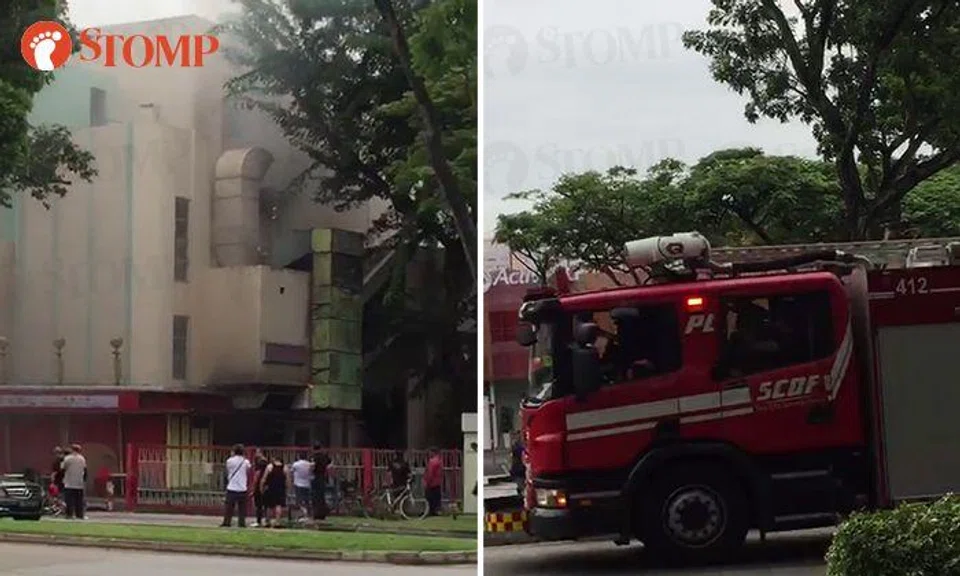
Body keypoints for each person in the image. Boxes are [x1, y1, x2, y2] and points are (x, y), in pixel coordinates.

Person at [220, 444, 251, 528]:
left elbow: (228, 470)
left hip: (232, 487)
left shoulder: (229, 461)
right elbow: (248, 470)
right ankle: (241, 523)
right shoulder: (246, 462)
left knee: (229, 508)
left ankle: (227, 522)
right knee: (242, 508)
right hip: (242, 488)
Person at [60, 444, 87, 520]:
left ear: (72, 449)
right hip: (79, 483)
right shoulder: (82, 459)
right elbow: (85, 470)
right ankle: (79, 514)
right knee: (79, 500)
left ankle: (69, 514)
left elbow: (62, 469)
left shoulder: (67, 458)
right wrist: (83, 480)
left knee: (69, 500)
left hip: (69, 483)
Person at [260, 456, 287, 528]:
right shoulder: (285, 467)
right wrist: (287, 488)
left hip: (271, 488)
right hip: (281, 488)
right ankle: (277, 522)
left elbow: (264, 478)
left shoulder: (270, 467)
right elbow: (288, 479)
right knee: (278, 505)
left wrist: (261, 487)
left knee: (269, 506)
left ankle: (267, 522)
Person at [310, 444, 332, 521]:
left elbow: (312, 466)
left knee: (315, 496)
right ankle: (323, 514)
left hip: (316, 477)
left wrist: (310, 472)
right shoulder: (324, 456)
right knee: (322, 496)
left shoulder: (314, 457)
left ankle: (317, 514)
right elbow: (330, 465)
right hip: (323, 477)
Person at [290, 451, 313, 521]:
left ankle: (302, 514)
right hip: (307, 484)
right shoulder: (309, 464)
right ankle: (308, 515)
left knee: (299, 501)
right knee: (307, 500)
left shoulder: (296, 464)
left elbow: (291, 472)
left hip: (298, 484)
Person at [251, 450, 268, 527]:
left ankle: (259, 521)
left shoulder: (258, 472)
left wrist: (252, 491)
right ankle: (267, 521)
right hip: (266, 489)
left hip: (258, 490)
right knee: (266, 506)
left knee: (259, 506)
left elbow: (255, 482)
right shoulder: (268, 472)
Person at [424, 448, 443, 516]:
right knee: (436, 498)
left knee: (430, 498)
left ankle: (431, 511)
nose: (429, 454)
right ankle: (436, 511)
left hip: (432, 483)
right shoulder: (439, 460)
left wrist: (427, 482)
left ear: (433, 452)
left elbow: (430, 473)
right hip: (437, 482)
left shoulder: (432, 461)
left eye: (430, 452)